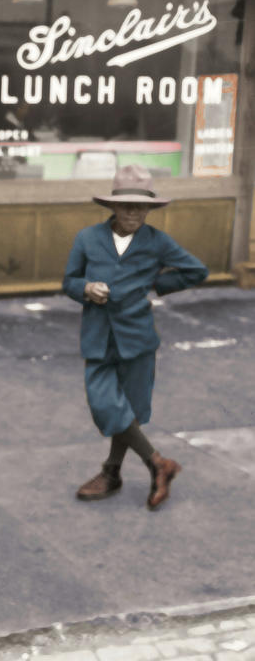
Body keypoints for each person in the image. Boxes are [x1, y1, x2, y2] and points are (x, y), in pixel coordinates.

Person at [63, 165, 208, 510]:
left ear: (150, 209)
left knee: (130, 411)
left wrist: (156, 285)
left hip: (139, 339)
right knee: (105, 404)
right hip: (99, 337)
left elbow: (196, 271)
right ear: (113, 206)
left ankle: (111, 473)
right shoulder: (87, 238)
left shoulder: (157, 242)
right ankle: (159, 463)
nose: (134, 212)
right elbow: (69, 281)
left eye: (141, 206)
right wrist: (85, 288)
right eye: (126, 205)